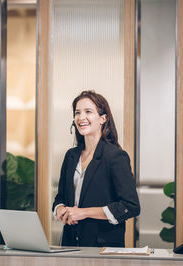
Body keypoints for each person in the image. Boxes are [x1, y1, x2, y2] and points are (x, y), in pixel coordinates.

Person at [52, 90, 140, 247]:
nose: (81, 117)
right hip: (70, 245)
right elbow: (60, 199)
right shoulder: (71, 156)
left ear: (103, 118)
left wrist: (83, 212)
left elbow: (130, 206)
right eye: (77, 112)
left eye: (88, 112)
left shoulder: (115, 156)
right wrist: (60, 210)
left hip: (102, 248)